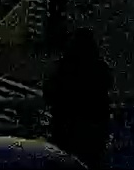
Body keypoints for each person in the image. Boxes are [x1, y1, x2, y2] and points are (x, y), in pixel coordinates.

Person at [46, 26, 113, 169]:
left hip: (67, 128)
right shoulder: (99, 67)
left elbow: (49, 92)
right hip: (94, 127)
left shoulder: (64, 67)